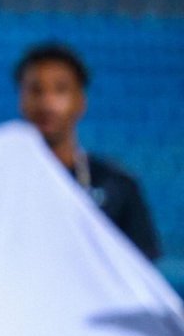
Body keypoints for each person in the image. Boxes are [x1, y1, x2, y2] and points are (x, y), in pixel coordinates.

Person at [15, 41, 161, 260]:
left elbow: (141, 273)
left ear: (80, 101)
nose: (47, 102)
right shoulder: (1, 182)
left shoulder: (117, 186)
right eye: (36, 90)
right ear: (22, 100)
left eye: (60, 89)